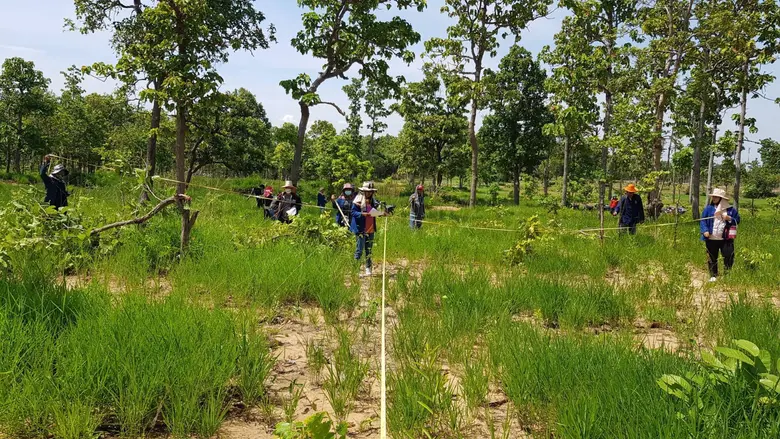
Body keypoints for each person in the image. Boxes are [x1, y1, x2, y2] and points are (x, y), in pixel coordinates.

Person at [700, 188, 740, 282]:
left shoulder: (730, 210)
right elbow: (703, 220)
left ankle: (727, 274)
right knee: (712, 257)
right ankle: (713, 275)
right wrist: (705, 230)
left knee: (729, 255)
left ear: (722, 199)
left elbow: (737, 220)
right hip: (711, 238)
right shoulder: (708, 209)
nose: (714, 198)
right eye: (713, 196)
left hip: (726, 239)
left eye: (716, 197)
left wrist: (729, 218)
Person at [350, 181, 386, 276]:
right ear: (363, 191)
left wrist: (382, 213)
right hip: (360, 229)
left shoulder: (373, 201)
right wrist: (362, 214)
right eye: (367, 191)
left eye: (371, 192)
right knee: (359, 249)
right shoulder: (357, 200)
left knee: (369, 250)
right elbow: (353, 212)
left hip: (370, 228)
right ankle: (355, 270)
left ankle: (368, 268)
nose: (369, 193)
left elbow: (374, 212)